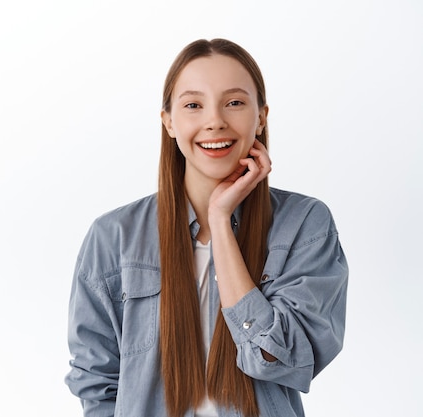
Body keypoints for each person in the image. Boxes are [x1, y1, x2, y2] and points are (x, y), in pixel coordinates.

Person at [65, 38, 348, 417]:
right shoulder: (112, 237)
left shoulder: (304, 225)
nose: (214, 120)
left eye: (234, 102)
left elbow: (283, 359)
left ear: (261, 116)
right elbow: (96, 383)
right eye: (194, 105)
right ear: (168, 121)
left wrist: (220, 223)